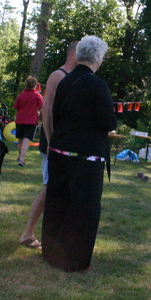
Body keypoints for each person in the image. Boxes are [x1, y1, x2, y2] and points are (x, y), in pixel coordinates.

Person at [42, 36, 117, 272]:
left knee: (58, 203)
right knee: (84, 208)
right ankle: (76, 261)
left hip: (59, 149)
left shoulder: (66, 81)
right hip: (85, 156)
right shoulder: (98, 85)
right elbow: (108, 121)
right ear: (98, 57)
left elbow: (56, 112)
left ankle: (51, 252)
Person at [19, 41, 78, 250]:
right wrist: (52, 142)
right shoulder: (58, 75)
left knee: (59, 189)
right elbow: (47, 111)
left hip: (65, 144)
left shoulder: (75, 78)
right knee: (49, 188)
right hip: (52, 143)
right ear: (73, 54)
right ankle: (27, 234)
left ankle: (55, 236)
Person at [13, 76, 43, 167]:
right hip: (31, 120)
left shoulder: (21, 94)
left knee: (20, 138)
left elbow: (16, 106)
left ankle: (20, 156)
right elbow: (42, 107)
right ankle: (22, 159)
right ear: (35, 85)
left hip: (20, 119)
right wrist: (40, 117)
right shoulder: (37, 95)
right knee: (26, 139)